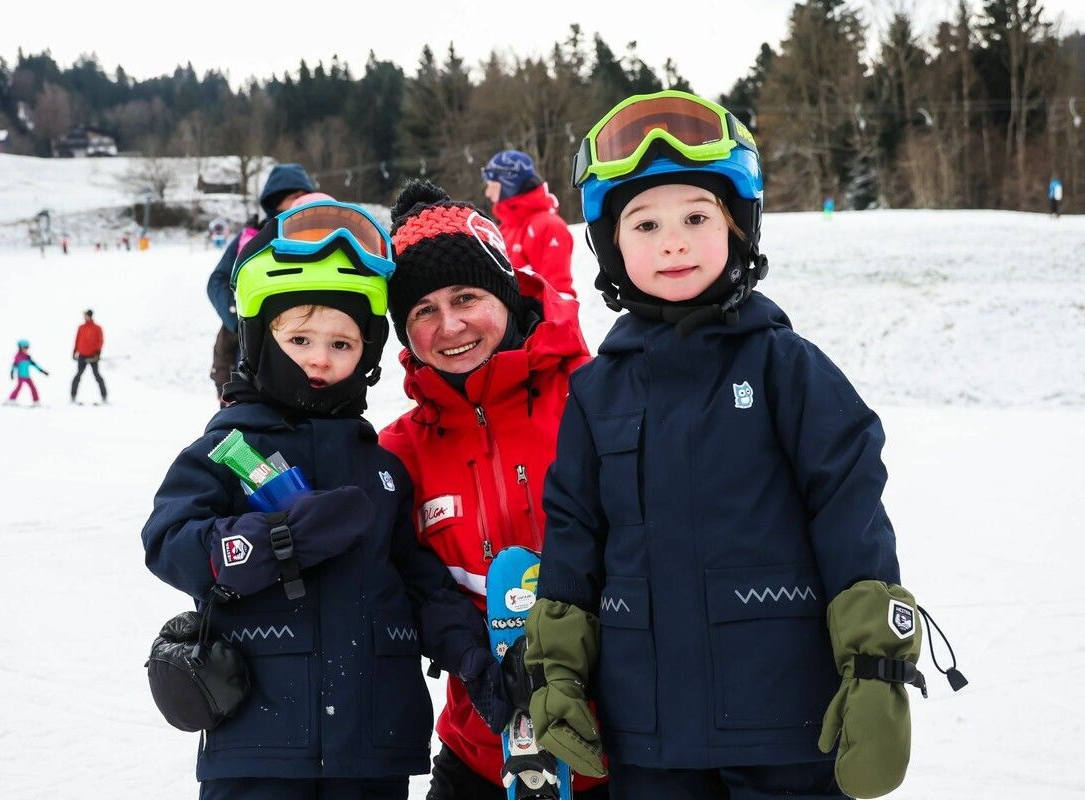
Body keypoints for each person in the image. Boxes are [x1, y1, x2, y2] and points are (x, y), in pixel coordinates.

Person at [527, 90, 932, 800]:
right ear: (612, 246)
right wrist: (556, 674)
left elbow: (850, 512)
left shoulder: (787, 368)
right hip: (648, 740)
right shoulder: (596, 393)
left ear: (738, 228)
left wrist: (877, 667)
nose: (673, 241)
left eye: (696, 217)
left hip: (786, 728)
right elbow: (573, 535)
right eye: (645, 223)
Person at [143, 199, 495, 800]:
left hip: (372, 751)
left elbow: (420, 582)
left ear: (368, 355)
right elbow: (169, 542)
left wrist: (472, 656)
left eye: (343, 344)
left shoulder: (383, 470)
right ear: (261, 339)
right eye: (299, 338)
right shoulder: (228, 449)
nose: (319, 358)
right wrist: (277, 541)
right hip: (260, 744)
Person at [378, 180, 605, 800]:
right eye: (423, 311)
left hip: (617, 749)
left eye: (466, 297)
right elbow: (400, 586)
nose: (449, 325)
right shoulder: (399, 452)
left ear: (505, 291)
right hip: (481, 753)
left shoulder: (594, 398)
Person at [206, 164, 318, 398]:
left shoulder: (320, 234)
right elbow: (217, 280)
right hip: (253, 351)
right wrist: (238, 317)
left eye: (305, 195)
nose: (301, 201)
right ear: (275, 200)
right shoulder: (251, 237)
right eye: (294, 196)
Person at [482, 150, 576, 300]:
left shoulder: (549, 226)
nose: (487, 193)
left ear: (509, 186)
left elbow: (558, 295)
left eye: (492, 186)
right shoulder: (505, 228)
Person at [71, 309, 108, 404]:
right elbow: (77, 340)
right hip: (82, 355)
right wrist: (74, 352)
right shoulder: (81, 327)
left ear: (89, 316)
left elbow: (100, 341)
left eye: (85, 315)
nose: (84, 317)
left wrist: (98, 354)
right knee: (78, 376)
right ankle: (73, 396)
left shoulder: (97, 328)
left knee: (97, 376)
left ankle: (104, 396)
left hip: (93, 356)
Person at [7, 339, 48, 405]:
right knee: (19, 387)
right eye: (25, 347)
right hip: (21, 376)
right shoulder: (18, 357)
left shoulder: (27, 357)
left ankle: (36, 401)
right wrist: (12, 373)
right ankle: (11, 400)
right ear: (20, 348)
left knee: (33, 387)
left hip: (27, 376)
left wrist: (42, 371)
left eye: (27, 347)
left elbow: (35, 365)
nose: (26, 349)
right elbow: (14, 365)